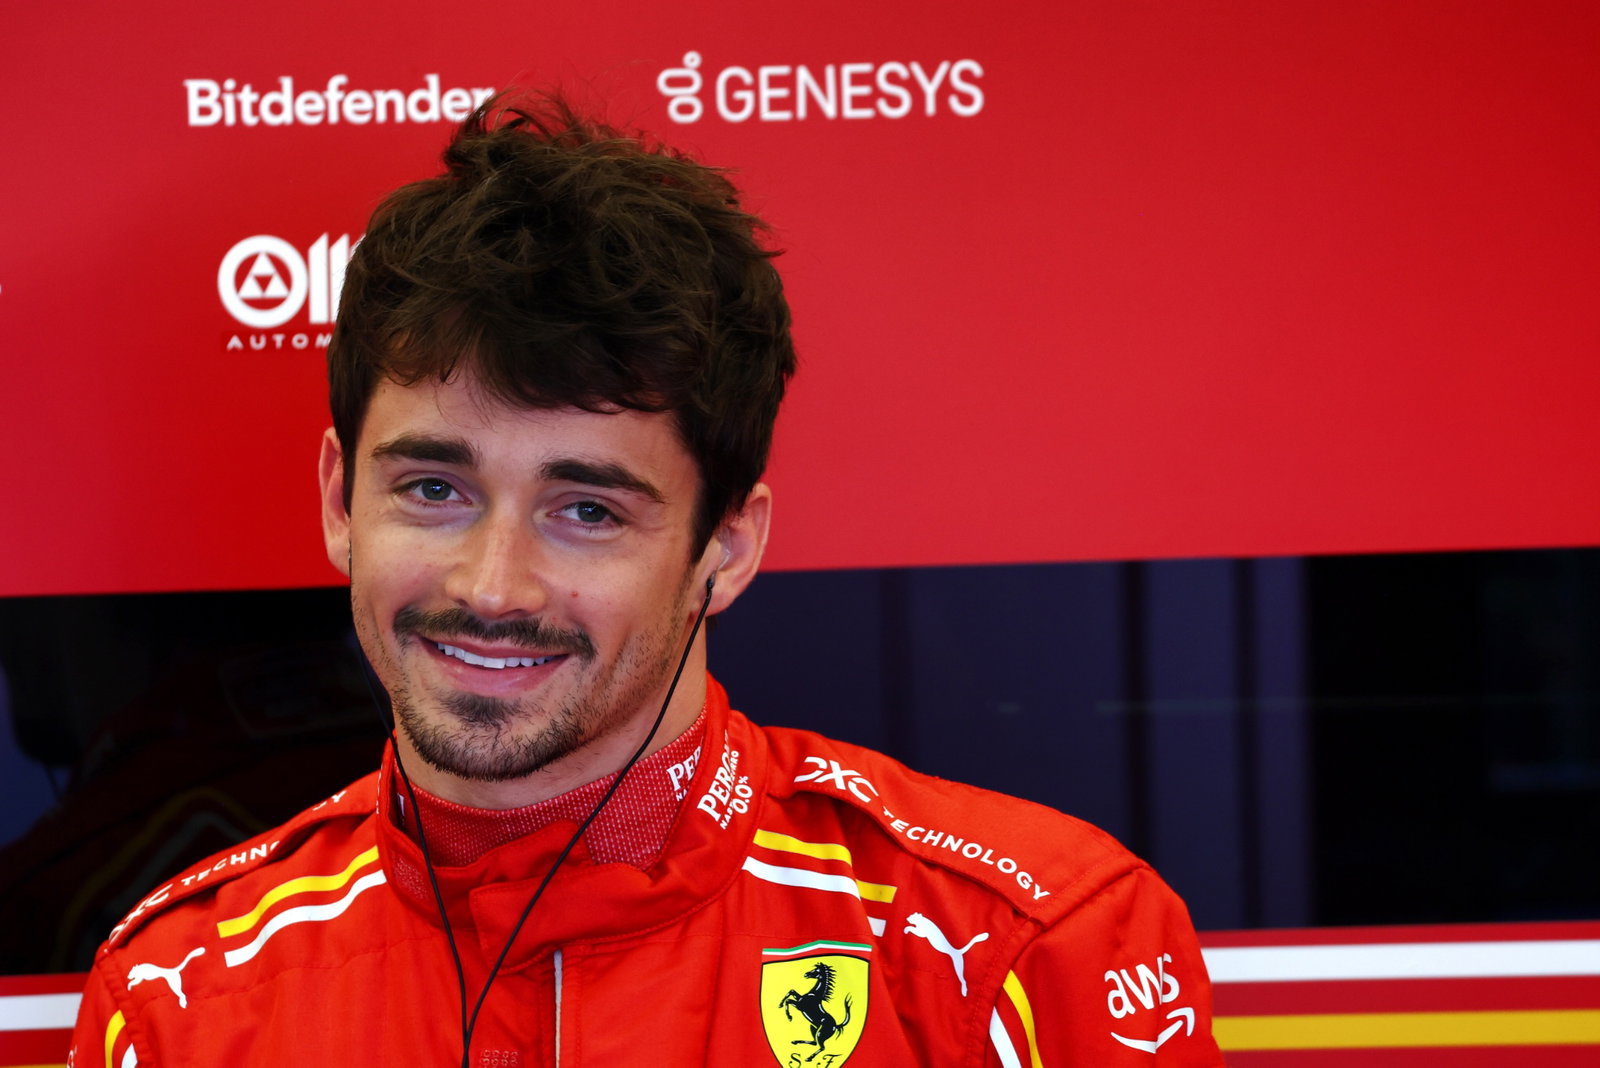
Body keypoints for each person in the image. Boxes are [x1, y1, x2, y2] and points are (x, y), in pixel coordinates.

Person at [72, 96, 1224, 1066]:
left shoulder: (1024, 950)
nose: (491, 584)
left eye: (587, 511)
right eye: (433, 489)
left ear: (726, 546)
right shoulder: (183, 994)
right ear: (338, 502)